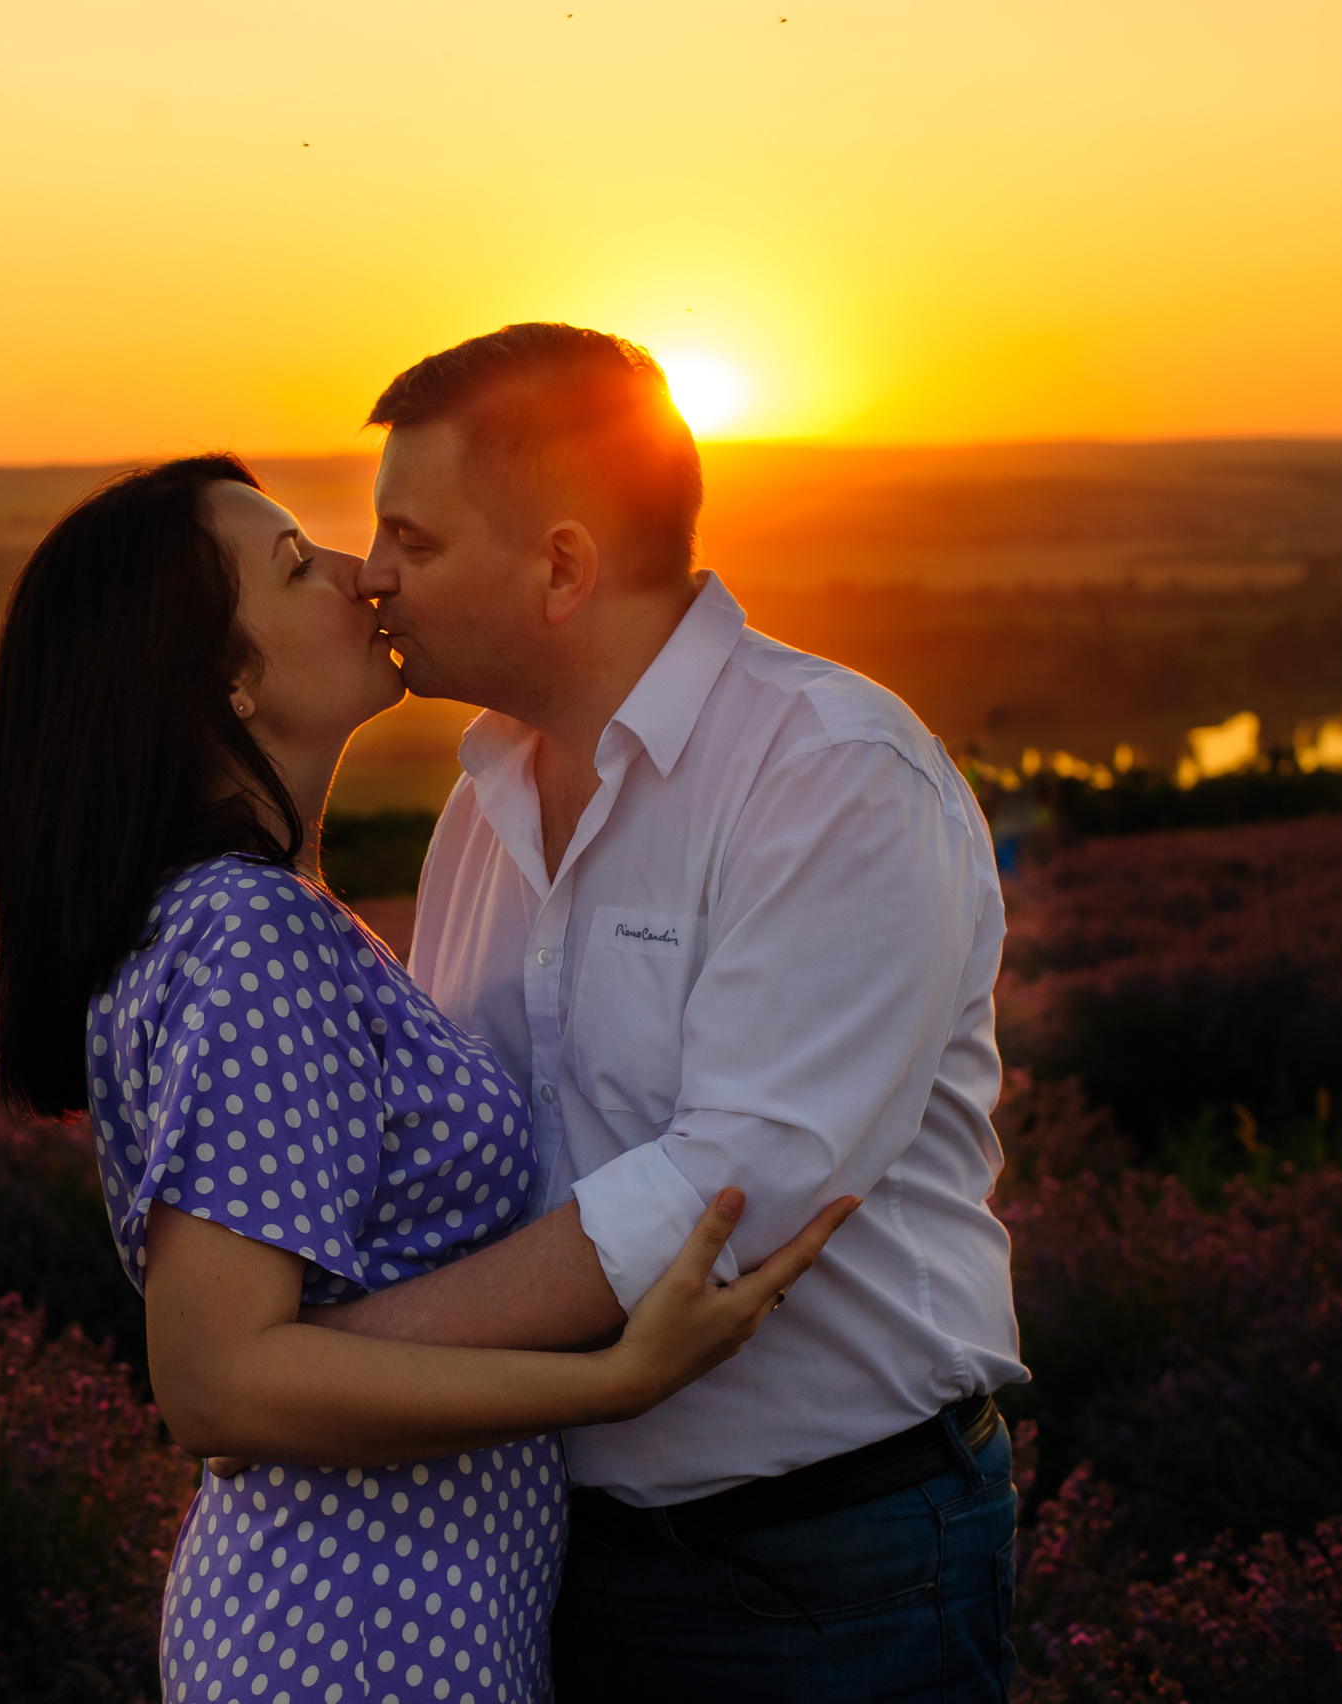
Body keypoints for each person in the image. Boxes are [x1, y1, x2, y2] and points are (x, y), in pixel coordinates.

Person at [0, 450, 859, 1704]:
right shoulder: (248, 932)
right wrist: (613, 1380)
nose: (361, 574)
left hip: (404, 1613)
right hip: (353, 1635)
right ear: (227, 680)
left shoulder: (268, 916)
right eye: (297, 565)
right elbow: (216, 1379)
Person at [309, 324, 1025, 1701]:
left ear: (562, 566)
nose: (372, 575)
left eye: (413, 537)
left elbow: (726, 1190)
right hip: (539, 1548)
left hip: (822, 1566)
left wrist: (329, 1374)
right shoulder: (484, 803)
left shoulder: (832, 774)